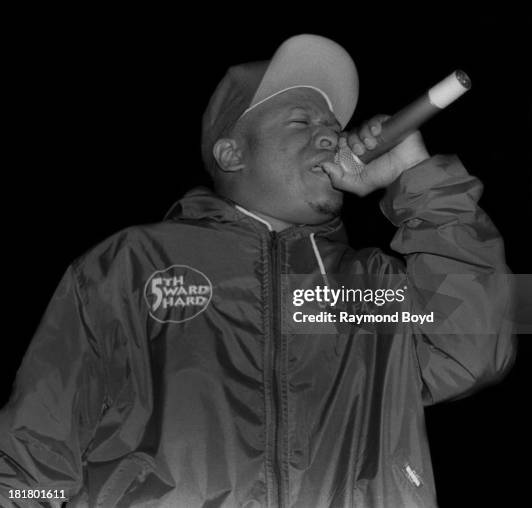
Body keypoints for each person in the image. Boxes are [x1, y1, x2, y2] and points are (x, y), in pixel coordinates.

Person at [0, 35, 515, 507]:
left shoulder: (370, 286)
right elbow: (27, 466)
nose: (329, 140)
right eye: (301, 122)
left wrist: (418, 179)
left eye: (334, 129)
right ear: (232, 153)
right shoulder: (131, 264)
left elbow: (481, 344)